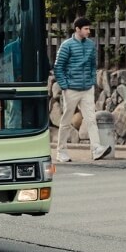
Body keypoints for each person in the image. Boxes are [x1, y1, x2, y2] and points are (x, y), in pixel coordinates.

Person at [54, 16, 111, 162]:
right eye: (86, 28)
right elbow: (58, 67)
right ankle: (61, 152)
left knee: (91, 119)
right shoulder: (67, 45)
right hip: (72, 89)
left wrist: (92, 81)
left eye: (89, 28)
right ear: (77, 29)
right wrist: (65, 85)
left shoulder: (90, 45)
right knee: (66, 121)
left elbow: (93, 65)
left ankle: (96, 148)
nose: (88, 31)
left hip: (87, 89)